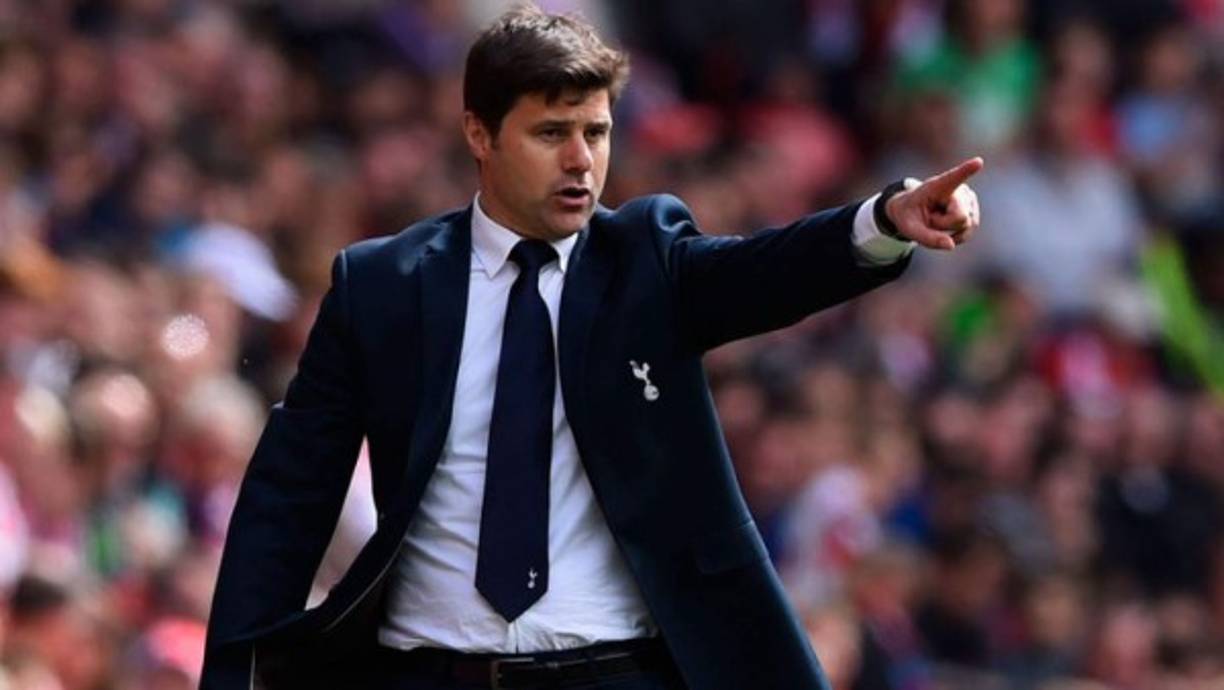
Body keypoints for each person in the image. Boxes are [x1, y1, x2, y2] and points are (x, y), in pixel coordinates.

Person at [202, 6, 982, 689]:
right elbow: (288, 500)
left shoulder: (647, 260)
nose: (581, 159)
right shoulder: (382, 285)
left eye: (597, 132)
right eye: (551, 133)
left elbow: (765, 271)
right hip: (427, 673)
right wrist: (234, 675)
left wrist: (883, 222)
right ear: (479, 133)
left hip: (616, 674)